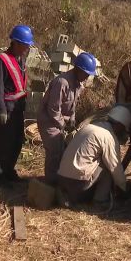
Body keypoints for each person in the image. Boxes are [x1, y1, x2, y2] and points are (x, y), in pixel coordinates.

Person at [37, 52, 96, 185]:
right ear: (78, 69)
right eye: (86, 73)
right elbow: (53, 109)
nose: (87, 77)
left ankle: (59, 179)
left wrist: (72, 120)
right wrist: (63, 124)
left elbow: (72, 105)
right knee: (54, 151)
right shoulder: (62, 82)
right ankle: (50, 184)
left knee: (64, 150)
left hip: (60, 121)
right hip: (49, 121)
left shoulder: (78, 84)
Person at [56, 105, 131, 206]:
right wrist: (124, 189)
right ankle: (100, 200)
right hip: (78, 186)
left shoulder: (89, 127)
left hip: (62, 180)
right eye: (123, 129)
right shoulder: (108, 137)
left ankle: (67, 196)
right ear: (120, 125)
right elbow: (115, 168)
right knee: (109, 167)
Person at [0, 25, 33, 186]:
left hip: (18, 108)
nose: (27, 48)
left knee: (16, 141)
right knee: (3, 143)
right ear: (15, 43)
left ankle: (9, 170)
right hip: (7, 108)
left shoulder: (21, 59)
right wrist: (0, 109)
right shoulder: (2, 60)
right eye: (24, 45)